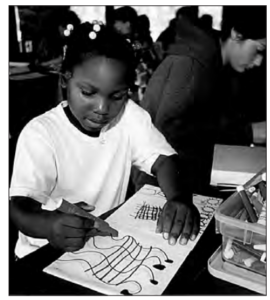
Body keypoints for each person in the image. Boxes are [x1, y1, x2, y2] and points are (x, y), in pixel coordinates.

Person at [9, 22, 200, 259]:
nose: (102, 108)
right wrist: (50, 225)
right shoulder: (40, 133)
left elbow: (164, 160)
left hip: (102, 247)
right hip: (42, 254)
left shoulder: (130, 117)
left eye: (117, 96)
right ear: (65, 80)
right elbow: (19, 206)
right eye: (88, 93)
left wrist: (178, 198)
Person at [136, 6, 266, 194]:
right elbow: (170, 134)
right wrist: (247, 132)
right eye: (259, 50)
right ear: (237, 34)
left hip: (184, 178)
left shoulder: (216, 65)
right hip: (160, 187)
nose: (259, 62)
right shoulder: (193, 64)